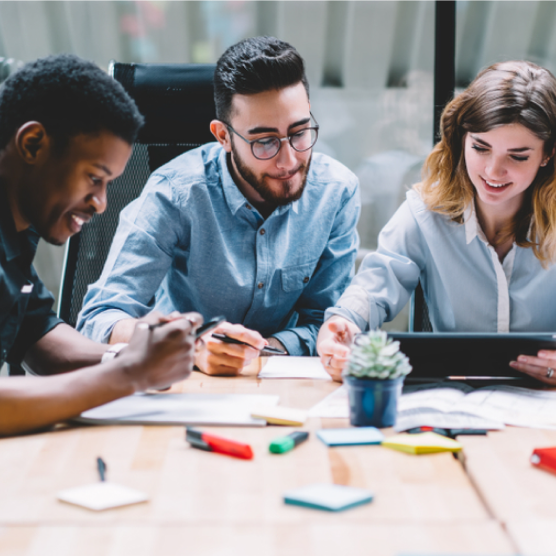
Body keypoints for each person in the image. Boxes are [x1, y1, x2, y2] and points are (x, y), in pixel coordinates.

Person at [77, 36, 360, 376]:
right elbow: (99, 317)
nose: (289, 160)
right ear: (223, 136)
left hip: (282, 382)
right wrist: (189, 344)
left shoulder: (337, 192)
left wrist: (267, 350)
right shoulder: (174, 194)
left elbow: (325, 320)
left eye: (299, 132)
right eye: (265, 142)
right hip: (186, 383)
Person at [318, 60, 556, 385]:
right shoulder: (424, 212)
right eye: (480, 147)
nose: (492, 171)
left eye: (517, 156)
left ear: (548, 154)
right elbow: (374, 285)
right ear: (461, 139)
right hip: (451, 402)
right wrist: (344, 322)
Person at [0, 54, 201, 437]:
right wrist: (127, 374)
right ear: (32, 143)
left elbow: (39, 338)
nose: (102, 203)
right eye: (95, 177)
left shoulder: (17, 230)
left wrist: (135, 354)